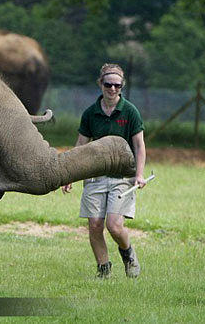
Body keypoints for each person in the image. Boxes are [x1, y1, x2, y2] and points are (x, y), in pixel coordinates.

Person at [62, 63, 146, 279]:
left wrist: (139, 174)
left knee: (114, 226)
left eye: (117, 85)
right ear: (101, 84)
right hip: (95, 176)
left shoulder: (130, 112)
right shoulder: (91, 113)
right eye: (108, 84)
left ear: (122, 86)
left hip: (122, 177)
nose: (112, 89)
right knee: (95, 225)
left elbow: (139, 146)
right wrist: (70, 173)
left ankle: (127, 253)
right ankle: (103, 269)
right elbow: (81, 144)